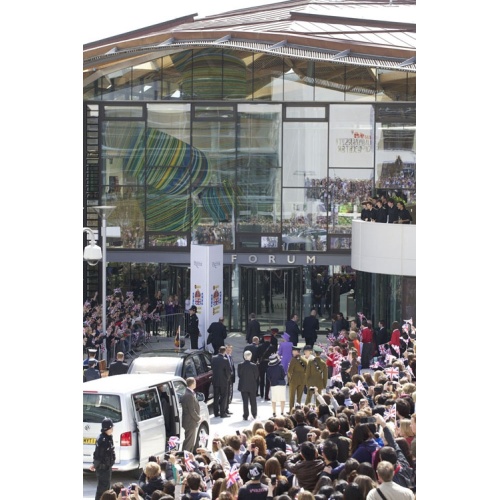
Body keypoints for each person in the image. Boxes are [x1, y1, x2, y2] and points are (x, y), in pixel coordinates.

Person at [90, 418, 116, 500]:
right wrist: (94, 465)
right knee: (102, 489)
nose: (112, 429)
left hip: (107, 468)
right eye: (111, 427)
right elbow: (98, 455)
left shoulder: (108, 438)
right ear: (107, 428)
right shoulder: (103, 440)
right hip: (103, 469)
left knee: (106, 488)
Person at [180, 377, 201, 453]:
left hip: (191, 422)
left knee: (191, 442)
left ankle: (188, 457)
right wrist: (199, 418)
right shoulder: (189, 395)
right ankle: (185, 458)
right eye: (195, 382)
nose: (196, 384)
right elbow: (192, 410)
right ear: (192, 384)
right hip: (190, 422)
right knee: (188, 443)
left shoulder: (190, 393)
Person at [238, 350, 260, 420]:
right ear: (250, 357)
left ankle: (245, 415)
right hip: (252, 385)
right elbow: (256, 376)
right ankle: (254, 414)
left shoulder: (240, 365)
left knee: (245, 401)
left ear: (244, 357)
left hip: (243, 385)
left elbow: (239, 375)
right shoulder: (254, 365)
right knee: (253, 401)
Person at [212, 346, 232, 418]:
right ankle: (223, 413)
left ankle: (216, 412)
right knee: (223, 396)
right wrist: (227, 378)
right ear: (224, 352)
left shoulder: (213, 358)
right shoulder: (225, 360)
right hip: (223, 381)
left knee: (216, 397)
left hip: (215, 380)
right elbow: (228, 371)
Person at [256, 333, 276, 400]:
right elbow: (274, 356)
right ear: (269, 339)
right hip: (269, 364)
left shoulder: (259, 346)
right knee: (268, 381)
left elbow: (257, 356)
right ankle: (266, 396)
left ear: (264, 339)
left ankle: (261, 394)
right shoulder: (272, 347)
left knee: (261, 379)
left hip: (261, 364)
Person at [287, 346, 308, 411]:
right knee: (299, 397)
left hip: (294, 379)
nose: (292, 352)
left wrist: (289, 379)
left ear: (296, 351)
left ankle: (291, 410)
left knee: (292, 396)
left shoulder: (293, 359)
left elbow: (289, 371)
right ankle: (298, 410)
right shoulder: (304, 359)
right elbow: (306, 370)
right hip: (302, 379)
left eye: (293, 351)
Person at [224, 344, 236, 415]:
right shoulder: (224, 357)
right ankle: (225, 409)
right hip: (226, 378)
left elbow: (232, 367)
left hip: (230, 378)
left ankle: (227, 408)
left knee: (229, 394)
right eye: (227, 350)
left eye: (230, 350)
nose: (229, 351)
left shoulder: (230, 357)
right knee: (226, 394)